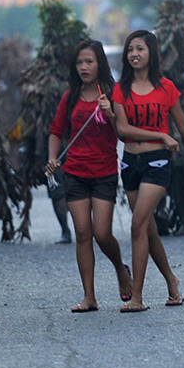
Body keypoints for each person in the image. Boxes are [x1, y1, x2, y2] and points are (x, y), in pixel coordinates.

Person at [110, 29, 184, 312]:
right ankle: (172, 281)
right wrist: (161, 136)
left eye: (140, 48)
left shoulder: (166, 87)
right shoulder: (121, 89)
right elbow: (122, 128)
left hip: (157, 163)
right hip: (130, 163)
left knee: (138, 224)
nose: (134, 54)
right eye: (130, 49)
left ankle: (138, 297)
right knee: (148, 230)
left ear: (151, 53)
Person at [46, 40, 133, 312]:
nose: (84, 67)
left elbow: (123, 134)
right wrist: (52, 158)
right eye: (80, 63)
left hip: (104, 172)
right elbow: (56, 130)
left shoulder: (113, 94)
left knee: (102, 233)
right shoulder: (69, 97)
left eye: (89, 62)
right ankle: (89, 296)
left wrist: (110, 115)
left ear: (100, 64)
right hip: (74, 174)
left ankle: (120, 268)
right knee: (83, 232)